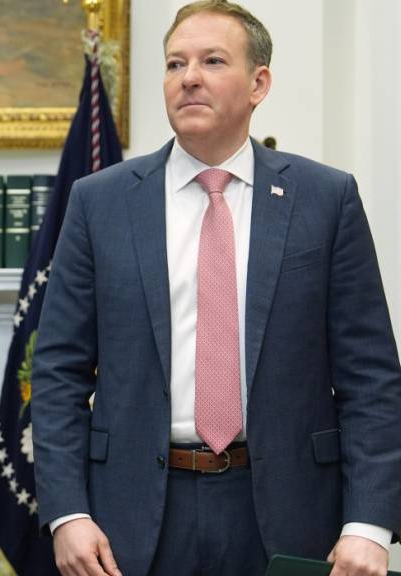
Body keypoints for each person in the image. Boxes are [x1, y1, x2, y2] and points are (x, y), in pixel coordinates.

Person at [31, 2, 401, 575]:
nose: (189, 77)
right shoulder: (99, 202)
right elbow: (57, 373)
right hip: (132, 517)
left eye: (212, 61)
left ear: (259, 83)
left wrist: (369, 524)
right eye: (175, 63)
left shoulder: (325, 200)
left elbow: (371, 378)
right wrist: (67, 513)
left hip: (291, 513)